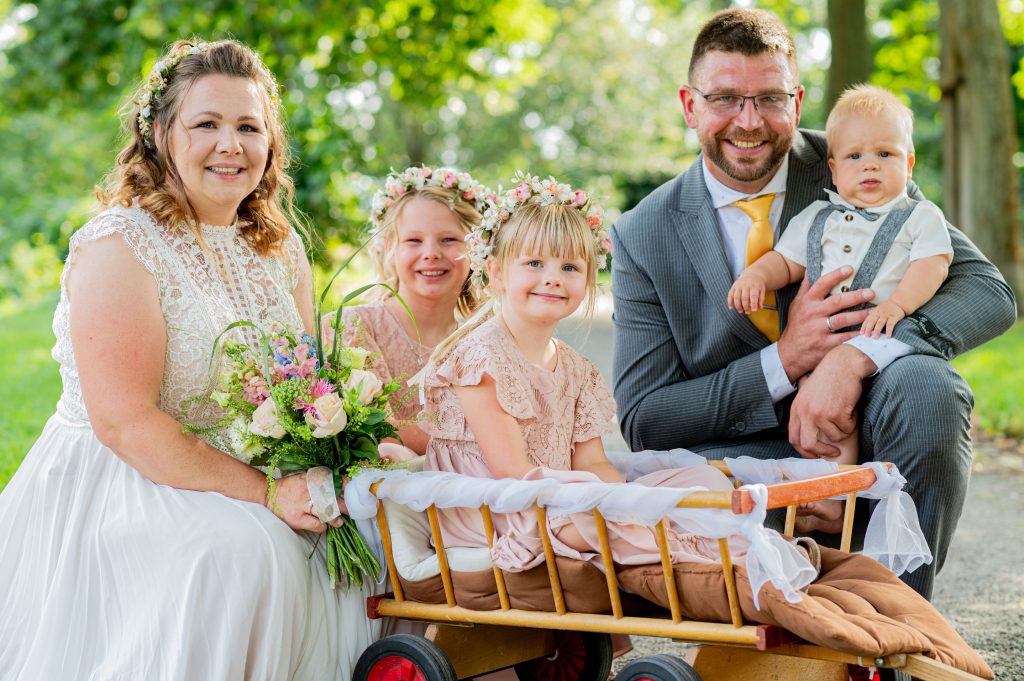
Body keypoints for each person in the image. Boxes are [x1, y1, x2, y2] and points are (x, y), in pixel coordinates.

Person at [0, 39, 379, 679]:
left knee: (366, 534)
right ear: (160, 133)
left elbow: (309, 388)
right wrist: (269, 495)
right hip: (126, 477)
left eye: (248, 127)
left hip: (244, 464)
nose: (230, 145)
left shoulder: (279, 250)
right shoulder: (119, 245)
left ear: (270, 143)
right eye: (206, 124)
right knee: (240, 552)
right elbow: (124, 424)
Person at [610, 7, 1016, 602]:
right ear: (689, 104)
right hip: (739, 462)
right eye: (725, 98)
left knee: (930, 387)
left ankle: (893, 624)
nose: (749, 122)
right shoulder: (642, 233)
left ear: (797, 103)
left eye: (769, 99)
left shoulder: (862, 158)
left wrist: (852, 361)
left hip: (869, 425)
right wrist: (787, 359)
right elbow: (644, 417)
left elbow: (988, 292)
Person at [417, 174, 747, 570]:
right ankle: (696, 557)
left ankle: (684, 542)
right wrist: (604, 500)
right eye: (535, 263)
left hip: (560, 499)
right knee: (602, 515)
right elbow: (513, 472)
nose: (553, 277)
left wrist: (625, 498)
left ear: (588, 278)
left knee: (704, 482)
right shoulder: (480, 358)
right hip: (498, 510)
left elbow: (591, 463)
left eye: (570, 266)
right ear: (497, 272)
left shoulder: (576, 369)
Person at [727, 84, 954, 530]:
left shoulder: (918, 216)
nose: (870, 164)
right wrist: (756, 276)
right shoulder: (814, 218)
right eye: (854, 157)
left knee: (853, 406)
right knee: (826, 418)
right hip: (822, 343)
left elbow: (934, 265)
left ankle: (840, 497)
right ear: (833, 169)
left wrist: (900, 306)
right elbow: (785, 261)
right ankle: (829, 488)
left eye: (885, 155)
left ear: (909, 164)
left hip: (880, 336)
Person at [342, 166, 493, 456]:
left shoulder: (486, 338)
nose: (431, 253)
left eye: (449, 239)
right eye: (414, 240)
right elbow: (376, 433)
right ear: (390, 249)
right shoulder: (355, 328)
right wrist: (482, 434)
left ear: (476, 249)